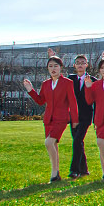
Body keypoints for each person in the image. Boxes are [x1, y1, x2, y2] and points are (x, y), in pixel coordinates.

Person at [24, 55, 78, 183]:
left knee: (48, 142)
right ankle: (56, 173)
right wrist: (30, 90)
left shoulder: (67, 83)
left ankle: (54, 173)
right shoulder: (45, 84)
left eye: (56, 66)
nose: (53, 69)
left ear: (60, 68)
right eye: (50, 66)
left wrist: (75, 120)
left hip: (61, 119)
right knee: (53, 144)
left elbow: (73, 102)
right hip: (48, 120)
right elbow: (40, 101)